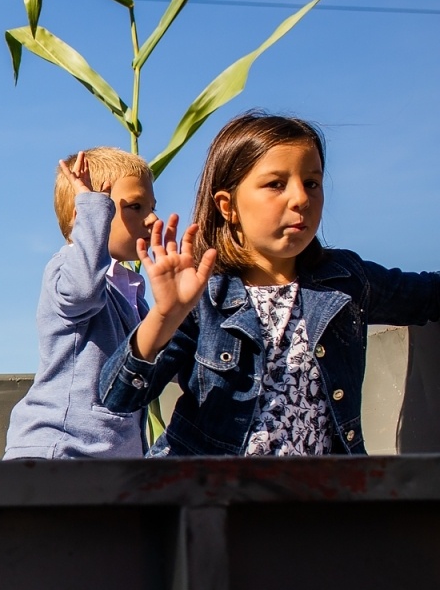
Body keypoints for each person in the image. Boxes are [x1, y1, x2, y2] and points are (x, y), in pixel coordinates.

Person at [100, 111, 440, 456]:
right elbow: (119, 397)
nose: (300, 198)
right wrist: (165, 316)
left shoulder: (346, 280)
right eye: (276, 184)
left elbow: (429, 295)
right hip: (210, 487)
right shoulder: (203, 296)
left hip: (321, 488)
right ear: (228, 206)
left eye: (312, 183)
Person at [4, 149, 158, 459]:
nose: (153, 219)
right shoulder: (67, 270)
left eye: (152, 208)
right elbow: (84, 291)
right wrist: (94, 210)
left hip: (104, 457)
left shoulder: (129, 292)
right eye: (136, 207)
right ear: (85, 214)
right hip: (59, 452)